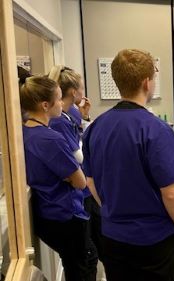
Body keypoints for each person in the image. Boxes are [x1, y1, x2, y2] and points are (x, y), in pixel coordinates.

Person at [82, 49, 174, 281]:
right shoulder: (156, 130)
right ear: (146, 83)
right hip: (153, 240)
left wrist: (113, 211)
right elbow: (172, 193)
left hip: (112, 236)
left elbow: (91, 183)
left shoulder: (95, 128)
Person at [20, 76, 97, 281]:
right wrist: (71, 177)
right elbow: (80, 181)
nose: (63, 105)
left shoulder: (25, 132)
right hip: (65, 214)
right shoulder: (51, 139)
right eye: (59, 99)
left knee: (77, 263)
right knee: (83, 266)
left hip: (47, 212)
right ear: (46, 105)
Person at [47, 65, 102, 258]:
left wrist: (85, 116)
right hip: (79, 188)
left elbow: (81, 135)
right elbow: (78, 154)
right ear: (72, 91)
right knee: (88, 250)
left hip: (84, 186)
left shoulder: (73, 112)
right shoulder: (59, 120)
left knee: (97, 238)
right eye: (82, 88)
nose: (83, 93)